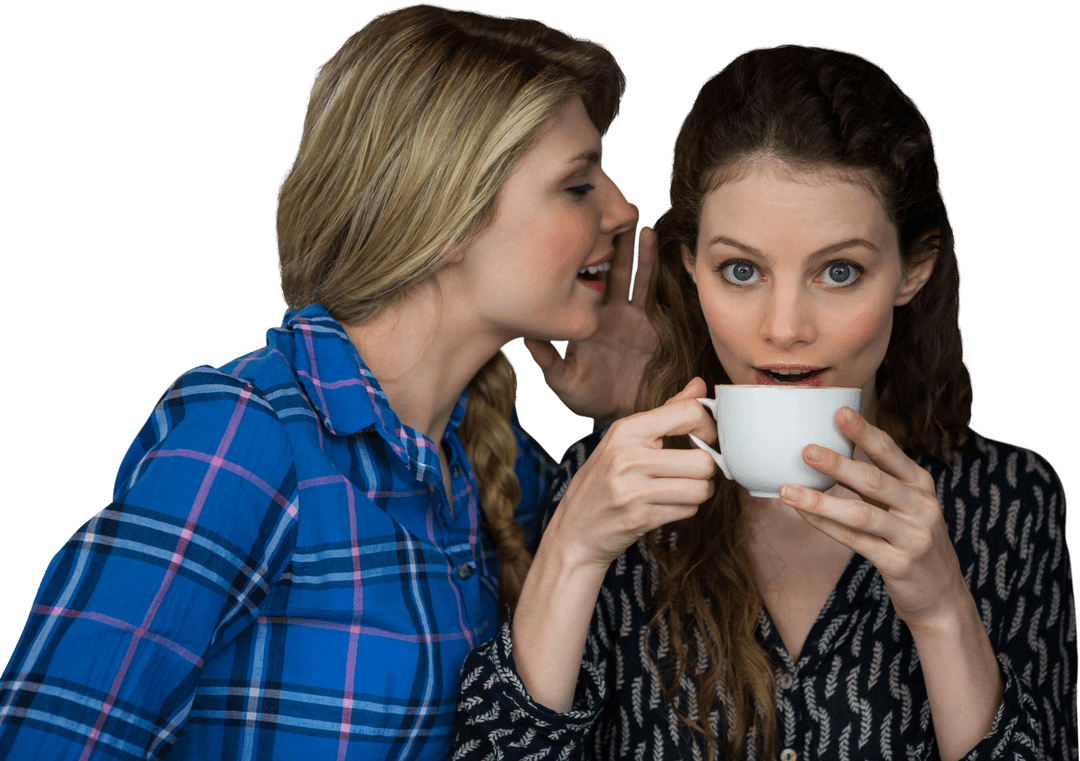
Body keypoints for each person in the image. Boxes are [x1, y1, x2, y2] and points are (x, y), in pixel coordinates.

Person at [0, 5, 657, 759]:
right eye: (578, 185)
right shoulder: (248, 439)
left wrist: (624, 410)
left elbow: (630, 668)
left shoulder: (491, 458)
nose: (622, 208)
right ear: (448, 212)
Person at [454, 44, 1077, 760]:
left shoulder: (1010, 501)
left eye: (839, 271)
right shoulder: (608, 488)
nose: (784, 327)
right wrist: (569, 553)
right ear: (692, 270)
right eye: (741, 270)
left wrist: (942, 612)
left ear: (915, 269)